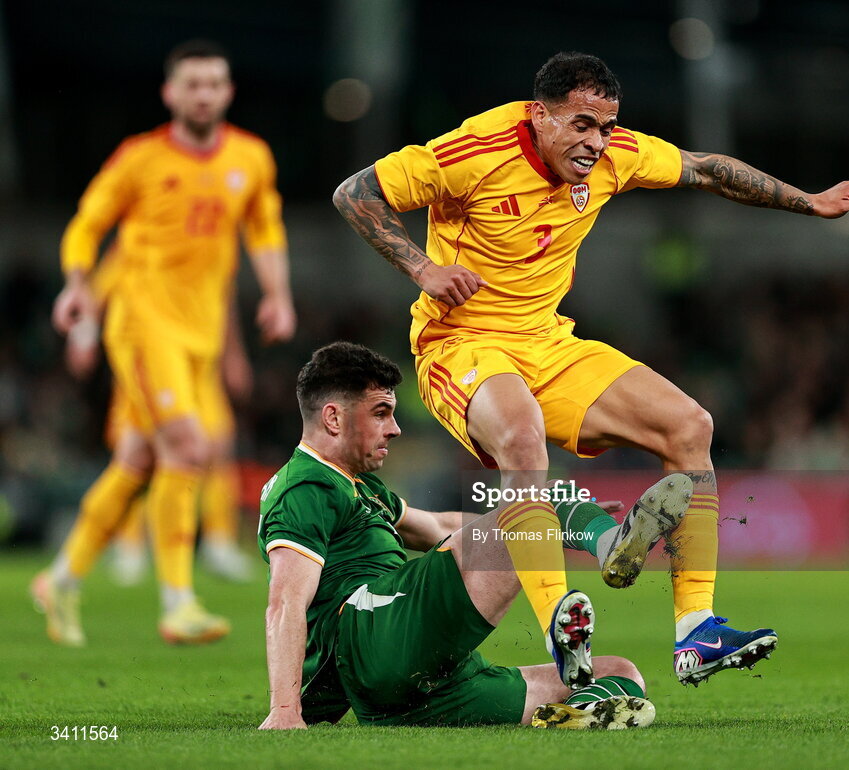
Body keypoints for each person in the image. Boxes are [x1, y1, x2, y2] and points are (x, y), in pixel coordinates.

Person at [333, 51, 849, 685]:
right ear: (540, 116)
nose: (597, 142)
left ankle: (696, 632)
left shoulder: (616, 152)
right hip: (463, 343)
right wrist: (422, 269)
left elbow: (707, 169)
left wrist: (810, 201)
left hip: (548, 342)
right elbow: (355, 191)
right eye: (580, 125)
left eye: (605, 126)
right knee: (522, 439)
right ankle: (560, 629)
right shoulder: (473, 150)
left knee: (690, 426)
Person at [33, 39, 296, 646]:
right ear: (171, 93)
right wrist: (78, 287)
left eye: (214, 84)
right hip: (143, 324)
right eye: (192, 84)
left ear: (227, 92)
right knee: (188, 445)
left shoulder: (250, 157)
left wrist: (277, 295)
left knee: (140, 459)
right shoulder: (139, 158)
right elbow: (88, 224)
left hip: (200, 334)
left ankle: (62, 578)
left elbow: (263, 227)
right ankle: (178, 601)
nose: (203, 94)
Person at [258, 341, 659, 730]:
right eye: (381, 412)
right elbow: (285, 600)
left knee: (622, 673)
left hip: (409, 680)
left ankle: (583, 710)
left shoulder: (359, 486)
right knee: (536, 497)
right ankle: (609, 546)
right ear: (333, 418)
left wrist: (556, 524)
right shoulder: (304, 486)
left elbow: (439, 527)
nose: (395, 429)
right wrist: (284, 710)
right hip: (375, 635)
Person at [64, 246, 256, 586]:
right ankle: (130, 546)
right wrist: (82, 340)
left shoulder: (208, 242)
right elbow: (94, 296)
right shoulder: (135, 248)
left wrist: (234, 356)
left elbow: (222, 303)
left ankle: (218, 542)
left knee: (218, 449)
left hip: (198, 366)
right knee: (137, 459)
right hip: (148, 366)